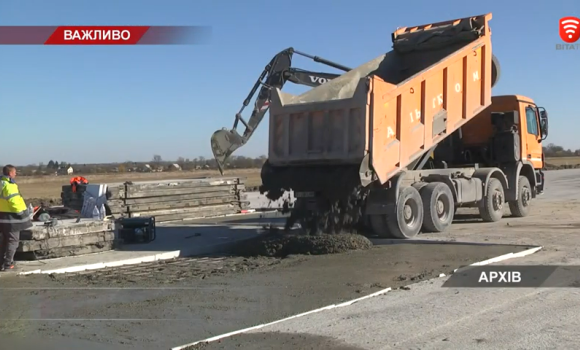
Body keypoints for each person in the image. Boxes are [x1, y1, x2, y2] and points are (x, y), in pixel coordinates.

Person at [0, 165, 32, 271]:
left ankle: (2, 263)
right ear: (10, 173)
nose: (15, 174)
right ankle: (8, 264)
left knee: (4, 240)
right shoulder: (9, 185)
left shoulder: (1, 183)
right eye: (14, 172)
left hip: (2, 216)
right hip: (11, 217)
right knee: (13, 241)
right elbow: (14, 201)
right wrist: (22, 213)